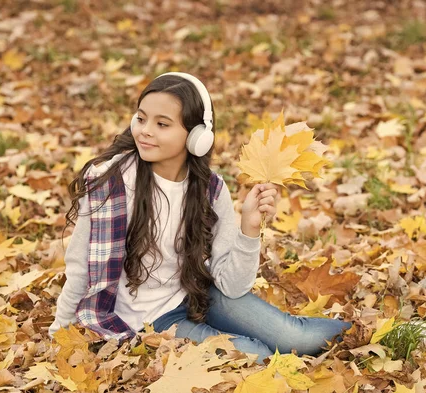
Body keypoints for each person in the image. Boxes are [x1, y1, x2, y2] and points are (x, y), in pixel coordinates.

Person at [48, 72, 353, 363]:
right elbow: (79, 270)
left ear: (197, 137)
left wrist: (248, 228)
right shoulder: (109, 183)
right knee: (253, 355)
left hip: (197, 293)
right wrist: (58, 333)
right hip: (151, 321)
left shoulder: (210, 190)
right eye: (141, 119)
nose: (145, 131)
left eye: (162, 124)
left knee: (297, 339)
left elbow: (232, 287)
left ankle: (378, 332)